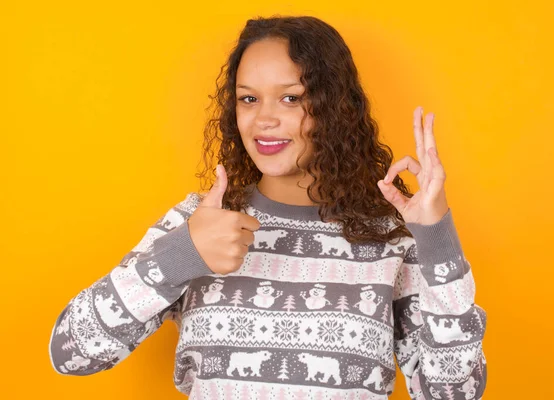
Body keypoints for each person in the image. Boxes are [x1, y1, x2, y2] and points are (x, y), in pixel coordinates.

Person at [49, 15, 487, 400]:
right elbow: (71, 352)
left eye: (291, 98)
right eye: (249, 98)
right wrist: (182, 254)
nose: (264, 119)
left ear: (336, 108)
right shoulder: (201, 222)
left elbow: (452, 392)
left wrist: (437, 238)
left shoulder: (390, 239)